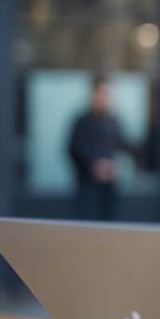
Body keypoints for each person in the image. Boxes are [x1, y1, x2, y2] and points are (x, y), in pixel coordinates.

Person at [67, 76, 134, 221]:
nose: (106, 98)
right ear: (94, 94)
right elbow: (73, 150)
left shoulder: (113, 121)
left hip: (110, 187)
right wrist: (93, 165)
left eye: (108, 94)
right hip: (88, 187)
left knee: (110, 225)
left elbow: (122, 145)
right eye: (102, 93)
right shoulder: (82, 121)